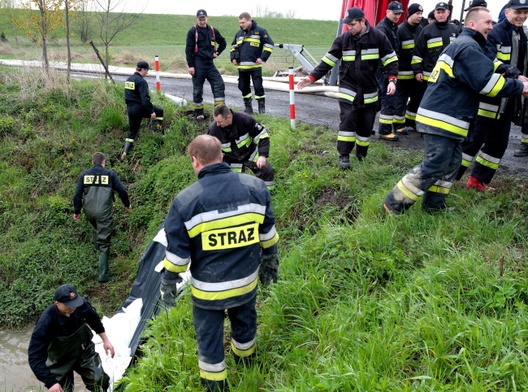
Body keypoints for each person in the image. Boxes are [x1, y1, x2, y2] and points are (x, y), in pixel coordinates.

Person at [159, 134, 279, 392]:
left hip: (208, 292)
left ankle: (216, 387)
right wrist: (271, 260)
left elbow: (179, 256)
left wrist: (168, 281)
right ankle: (248, 369)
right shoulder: (255, 188)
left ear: (195, 161)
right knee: (245, 326)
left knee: (210, 341)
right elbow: (268, 233)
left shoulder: (185, 202)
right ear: (222, 156)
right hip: (247, 284)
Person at [382, 7, 528, 215]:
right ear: (472, 24)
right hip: (442, 117)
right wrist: (519, 87)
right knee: (436, 163)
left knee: (450, 164)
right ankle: (393, 204)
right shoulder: (468, 48)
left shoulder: (470, 45)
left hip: (449, 116)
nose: (491, 26)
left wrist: (513, 73)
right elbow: (487, 84)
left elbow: (490, 64)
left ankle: (434, 207)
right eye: (487, 22)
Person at [297, 7, 398, 169]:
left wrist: (392, 80)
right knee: (348, 121)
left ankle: (361, 154)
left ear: (362, 21)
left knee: (366, 125)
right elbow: (328, 61)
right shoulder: (343, 40)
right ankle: (344, 155)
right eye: (348, 25)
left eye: (352, 24)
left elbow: (391, 61)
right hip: (348, 88)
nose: (349, 28)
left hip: (369, 91)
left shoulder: (378, 38)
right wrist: (311, 78)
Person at [457, 0, 528, 191]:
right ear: (507, 12)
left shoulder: (521, 35)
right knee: (472, 142)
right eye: (518, 12)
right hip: (489, 99)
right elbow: (489, 61)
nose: (522, 16)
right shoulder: (494, 33)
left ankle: (477, 181)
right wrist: (516, 75)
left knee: (498, 144)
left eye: (525, 12)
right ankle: (448, 178)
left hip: (507, 99)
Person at [28, 284, 115, 392]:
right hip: (59, 360)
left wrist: (106, 341)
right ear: (57, 304)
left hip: (83, 351)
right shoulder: (46, 321)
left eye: (75, 304)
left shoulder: (80, 305)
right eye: (69, 305)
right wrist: (51, 382)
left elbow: (94, 320)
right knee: (62, 390)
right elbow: (35, 357)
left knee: (99, 381)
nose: (73, 307)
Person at [73, 152, 132, 282]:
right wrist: (127, 204)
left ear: (92, 162)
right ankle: (103, 275)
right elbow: (122, 191)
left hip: (88, 211)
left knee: (96, 228)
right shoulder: (110, 174)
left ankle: (97, 251)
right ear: (103, 162)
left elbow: (77, 195)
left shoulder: (85, 175)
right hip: (104, 212)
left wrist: (77, 211)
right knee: (105, 242)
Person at [207, 104, 275, 189]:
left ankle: (268, 195)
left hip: (250, 152)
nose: (217, 124)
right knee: (230, 183)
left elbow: (262, 136)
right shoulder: (213, 129)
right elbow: (210, 150)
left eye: (219, 122)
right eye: (216, 121)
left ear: (228, 117)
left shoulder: (245, 119)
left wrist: (262, 156)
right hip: (230, 158)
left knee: (267, 171)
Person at [412, 2, 458, 110]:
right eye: (438, 12)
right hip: (428, 77)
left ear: (448, 13)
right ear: (435, 13)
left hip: (448, 77)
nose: (441, 15)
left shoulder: (454, 30)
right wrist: (417, 71)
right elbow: (418, 52)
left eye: (443, 12)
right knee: (424, 103)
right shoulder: (427, 30)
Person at [185, 9, 227, 122]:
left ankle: (219, 111)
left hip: (210, 63)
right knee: (198, 89)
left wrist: (217, 52)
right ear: (196, 18)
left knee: (219, 83)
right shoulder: (192, 32)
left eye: (204, 19)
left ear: (207, 18)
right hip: (198, 63)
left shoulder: (213, 30)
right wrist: (191, 65)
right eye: (200, 19)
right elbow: (188, 50)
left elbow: (223, 42)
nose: (202, 21)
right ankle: (199, 113)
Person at [230, 12, 274, 114]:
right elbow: (233, 47)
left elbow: (270, 45)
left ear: (250, 20)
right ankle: (248, 108)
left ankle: (261, 109)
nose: (241, 25)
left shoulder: (260, 31)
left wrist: (262, 58)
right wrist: (233, 58)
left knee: (258, 87)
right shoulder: (239, 34)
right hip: (242, 67)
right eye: (240, 23)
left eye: (243, 22)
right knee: (243, 87)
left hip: (255, 67)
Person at [121, 61, 164, 161]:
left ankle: (125, 152)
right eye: (147, 70)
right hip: (139, 108)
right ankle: (156, 132)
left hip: (130, 109)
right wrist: (151, 111)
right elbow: (145, 99)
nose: (147, 73)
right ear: (143, 69)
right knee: (160, 111)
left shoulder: (129, 80)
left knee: (132, 132)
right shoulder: (141, 82)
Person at [393, 3, 424, 135]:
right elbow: (396, 51)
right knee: (402, 97)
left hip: (416, 72)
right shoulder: (400, 30)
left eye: (421, 14)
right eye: (417, 14)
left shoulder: (420, 29)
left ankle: (410, 121)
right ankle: (398, 124)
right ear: (410, 14)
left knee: (416, 97)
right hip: (403, 72)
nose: (420, 16)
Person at [376, 1, 405, 141]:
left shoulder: (392, 27)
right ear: (387, 12)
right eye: (395, 13)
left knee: (377, 100)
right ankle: (385, 131)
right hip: (384, 68)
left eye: (399, 13)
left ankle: (363, 125)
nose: (397, 16)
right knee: (389, 98)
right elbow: (383, 52)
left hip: (387, 67)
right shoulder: (383, 28)